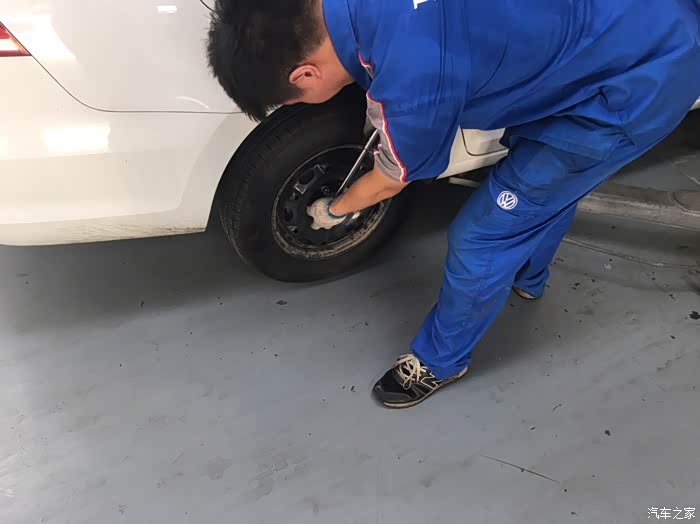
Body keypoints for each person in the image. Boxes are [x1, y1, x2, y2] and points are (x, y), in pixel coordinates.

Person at [207, 0, 700, 408]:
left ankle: (441, 361)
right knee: (540, 187)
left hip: (637, 81)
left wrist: (333, 209)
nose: (298, 107)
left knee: (482, 235)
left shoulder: (412, 75)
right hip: (614, 30)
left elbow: (390, 179)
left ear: (305, 73)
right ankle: (529, 276)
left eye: (293, 99)